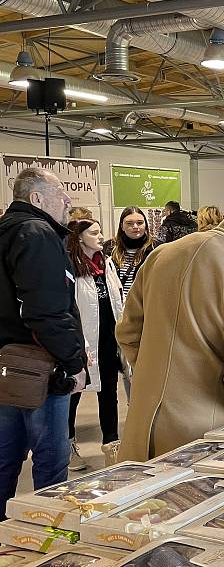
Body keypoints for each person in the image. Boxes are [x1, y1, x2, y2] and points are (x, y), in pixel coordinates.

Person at [116, 189, 224, 460]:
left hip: (143, 424)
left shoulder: (161, 254)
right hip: (203, 435)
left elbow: (127, 332)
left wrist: (154, 373)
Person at [0, 167, 87, 520]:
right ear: (36, 198)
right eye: (61, 192)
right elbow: (45, 311)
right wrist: (73, 362)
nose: (68, 200)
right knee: (51, 467)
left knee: (5, 459)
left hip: (9, 366)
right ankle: (45, 539)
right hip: (41, 370)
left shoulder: (7, 230)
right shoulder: (36, 233)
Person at [65, 219, 125, 470]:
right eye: (94, 233)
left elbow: (116, 301)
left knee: (109, 394)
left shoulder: (107, 264)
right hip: (84, 343)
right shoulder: (70, 266)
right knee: (74, 395)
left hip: (109, 341)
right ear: (79, 238)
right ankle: (68, 445)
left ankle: (112, 444)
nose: (101, 237)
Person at [106, 207, 157, 298]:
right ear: (122, 226)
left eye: (140, 223)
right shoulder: (109, 247)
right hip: (117, 306)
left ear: (146, 225)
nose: (135, 227)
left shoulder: (155, 249)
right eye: (129, 223)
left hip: (144, 305)